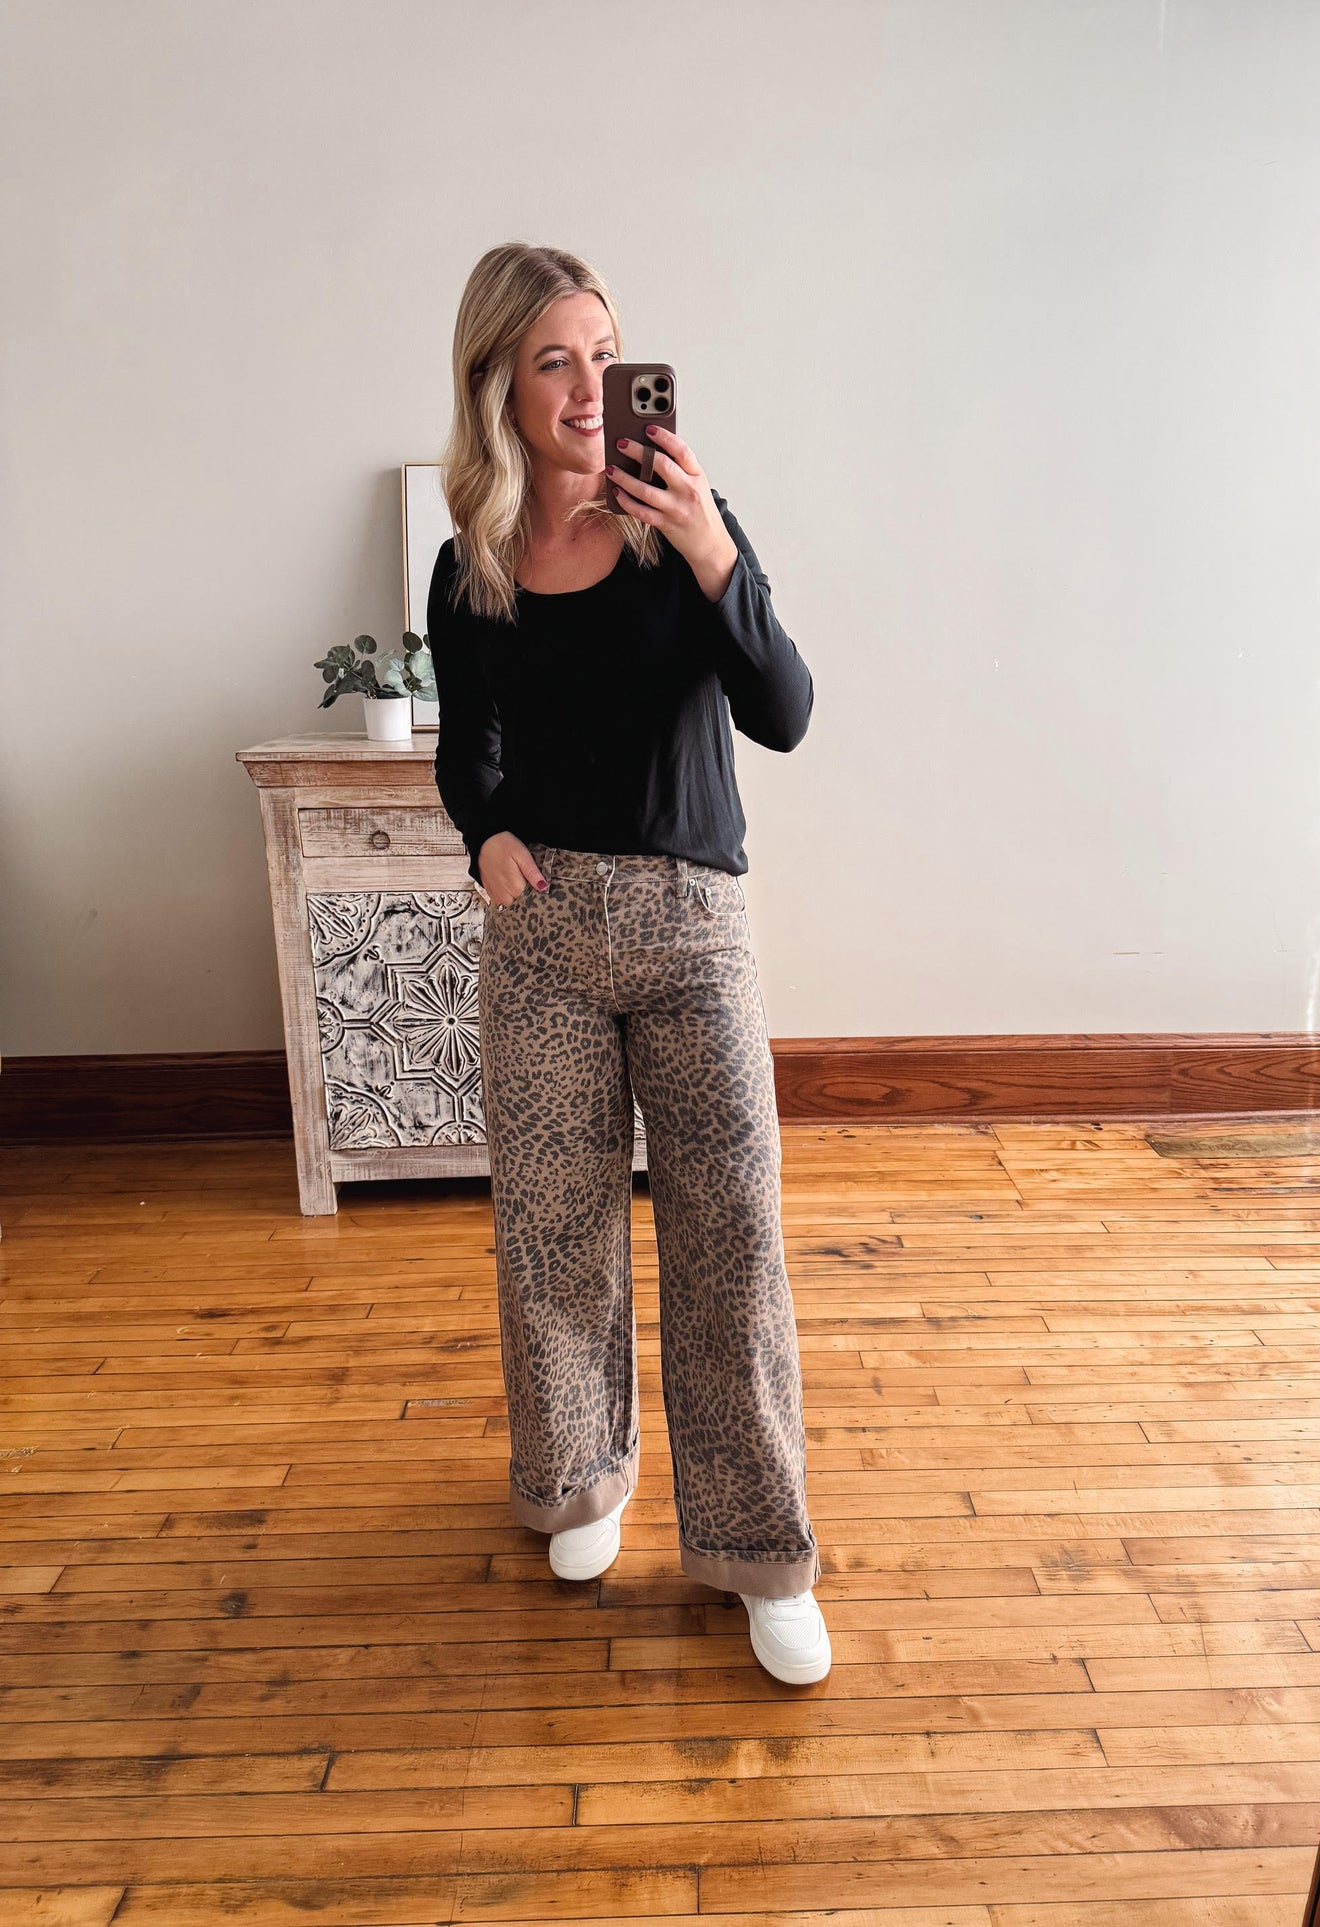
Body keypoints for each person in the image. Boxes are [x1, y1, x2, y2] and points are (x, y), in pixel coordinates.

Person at [427, 241, 828, 1685]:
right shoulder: (468, 558)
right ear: (499, 387)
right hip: (541, 942)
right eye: (554, 359)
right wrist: (485, 839)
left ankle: (757, 1547)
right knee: (551, 1238)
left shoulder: (685, 525)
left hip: (689, 932)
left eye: (604, 353)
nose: (590, 386)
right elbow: (466, 749)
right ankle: (578, 1476)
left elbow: (782, 710)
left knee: (731, 1245)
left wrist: (716, 551)